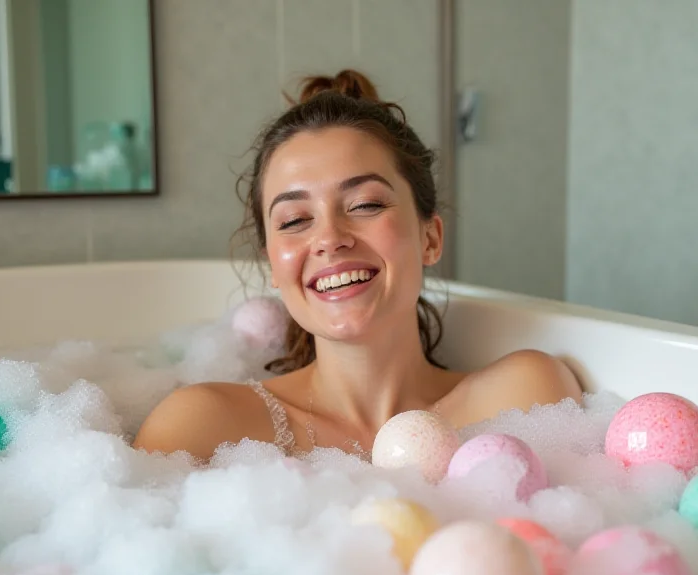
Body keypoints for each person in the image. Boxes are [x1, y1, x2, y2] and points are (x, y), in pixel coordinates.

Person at [132, 70, 582, 463]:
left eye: (365, 204)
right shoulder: (206, 427)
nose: (329, 238)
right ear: (272, 262)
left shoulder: (522, 402)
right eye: (294, 220)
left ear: (431, 237)